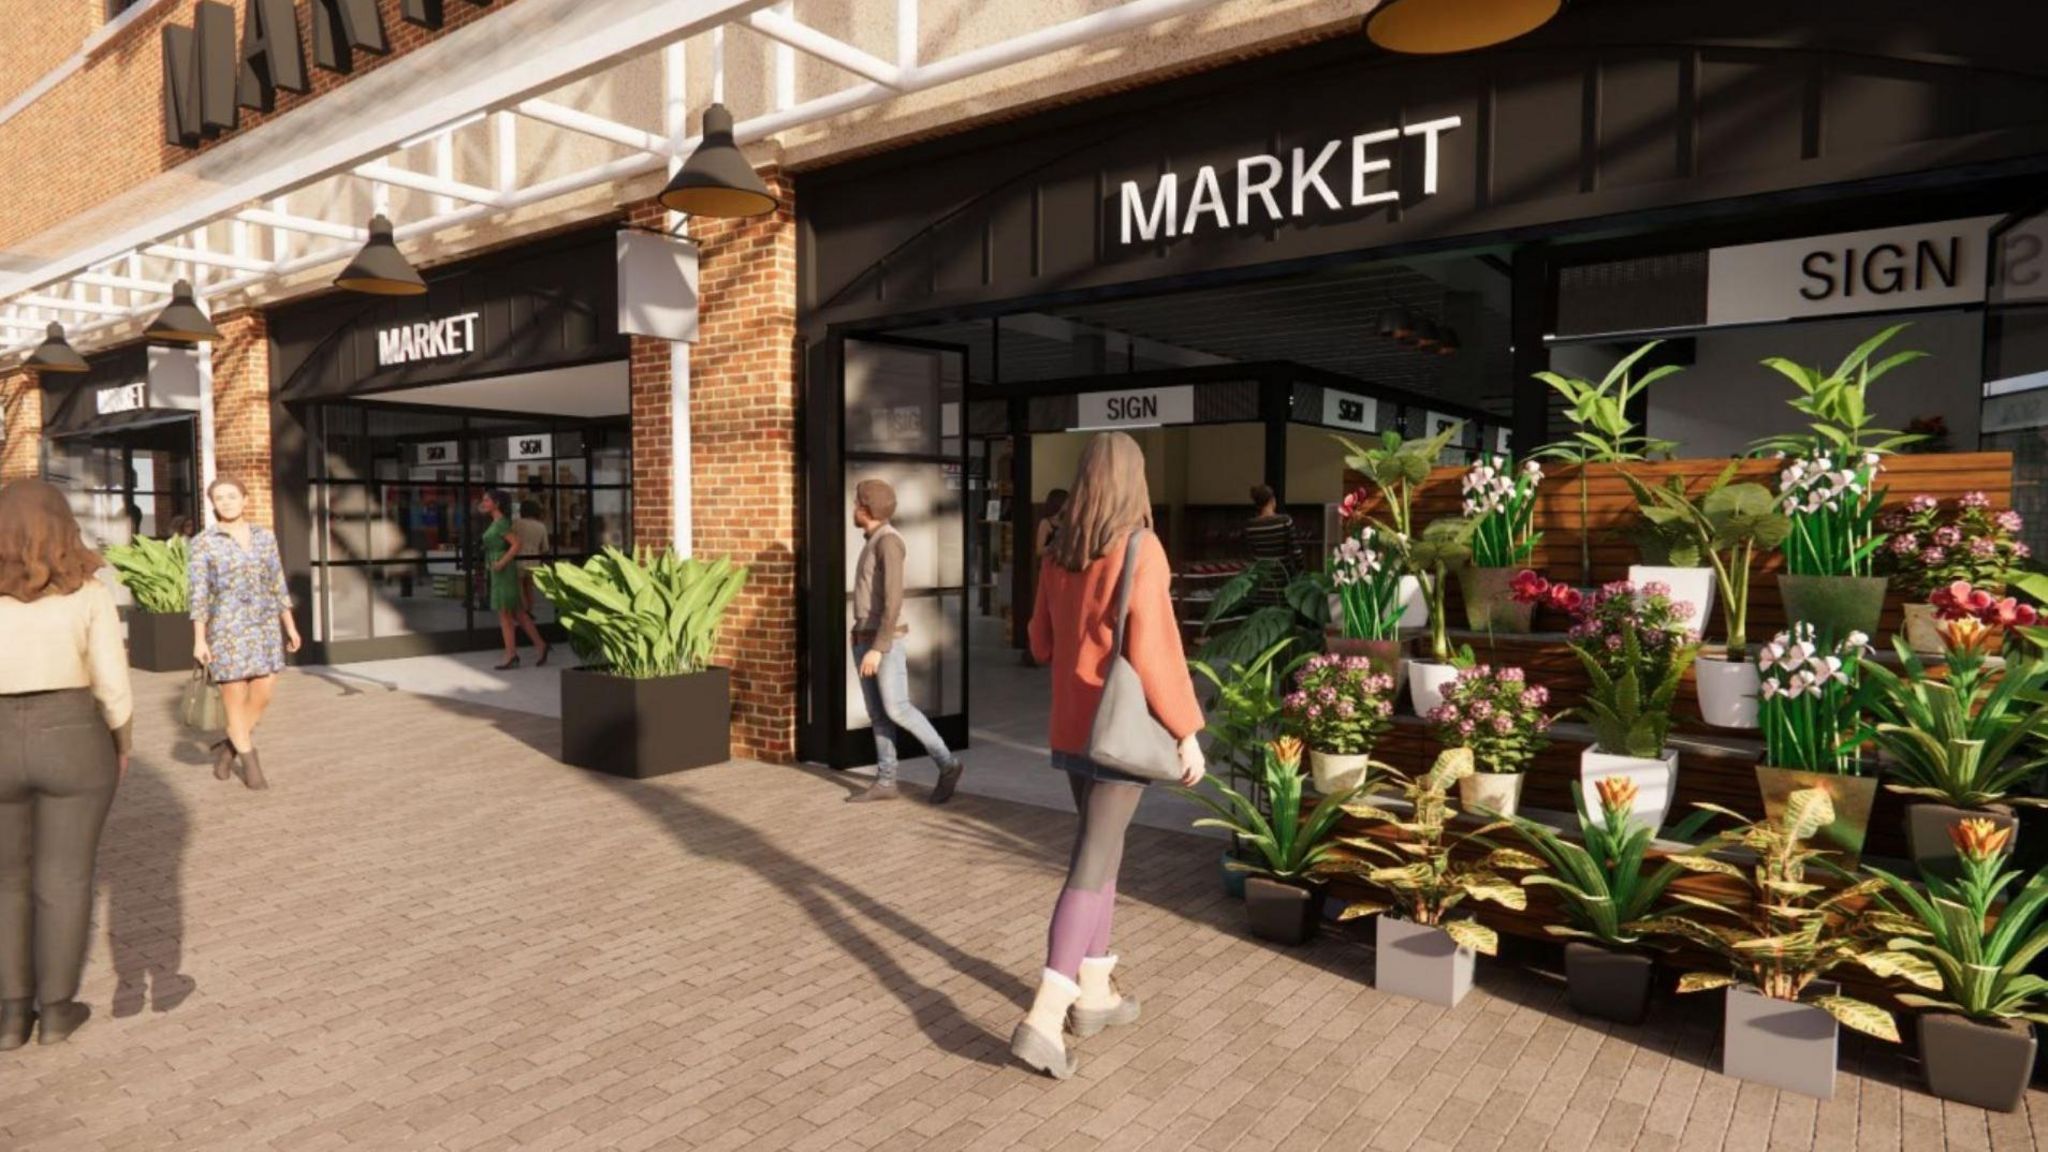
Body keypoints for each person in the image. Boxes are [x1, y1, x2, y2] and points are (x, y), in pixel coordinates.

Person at [1015, 432, 1204, 1080]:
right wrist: (1186, 729)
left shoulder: (1057, 549)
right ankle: (1045, 1015)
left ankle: (1093, 994)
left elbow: (1038, 641)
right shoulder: (1140, 547)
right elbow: (1155, 649)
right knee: (1091, 862)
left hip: (1073, 727)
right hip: (1120, 730)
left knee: (1105, 853)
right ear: (1134, 479)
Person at [0, 479, 133, 1047]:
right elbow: (113, 685)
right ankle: (56, 1011)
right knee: (67, 877)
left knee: (5, 881)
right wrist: (122, 744)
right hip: (74, 734)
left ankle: (10, 1017)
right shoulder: (89, 592)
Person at [849, 478, 965, 805]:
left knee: (897, 708)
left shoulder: (888, 542)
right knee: (880, 714)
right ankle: (886, 781)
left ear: (867, 508)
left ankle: (948, 764)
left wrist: (877, 647)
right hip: (864, 638)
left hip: (880, 641)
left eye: (857, 502)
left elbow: (893, 600)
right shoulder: (874, 540)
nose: (853, 507)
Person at [189, 477, 301, 791]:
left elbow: (277, 583)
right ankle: (250, 762)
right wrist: (199, 639)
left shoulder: (265, 537)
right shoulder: (203, 542)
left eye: (232, 496)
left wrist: (289, 626)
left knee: (264, 691)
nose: (225, 502)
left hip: (265, 625)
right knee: (234, 697)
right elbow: (198, 595)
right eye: (219, 498)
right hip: (227, 627)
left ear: (245, 499)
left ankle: (228, 747)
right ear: (213, 504)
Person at [480, 490, 548, 670]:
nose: (483, 503)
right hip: (500, 570)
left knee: (505, 615)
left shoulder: (501, 523)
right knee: (518, 612)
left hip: (503, 572)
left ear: (497, 503)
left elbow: (516, 544)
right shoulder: (498, 522)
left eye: (487, 500)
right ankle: (540, 645)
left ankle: (511, 655)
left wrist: (501, 562)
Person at [1243, 483, 1296, 606]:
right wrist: (1299, 575)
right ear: (1272, 500)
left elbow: (1251, 555)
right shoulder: (1284, 521)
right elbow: (1296, 552)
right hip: (1282, 584)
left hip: (1260, 584)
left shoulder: (1250, 526)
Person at [510, 500, 551, 615]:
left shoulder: (516, 524)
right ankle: (530, 610)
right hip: (534, 562)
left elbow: (509, 541)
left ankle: (523, 610)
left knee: (519, 587)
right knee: (529, 587)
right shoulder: (541, 526)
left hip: (518, 560)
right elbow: (545, 548)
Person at [1035, 488, 1069, 561]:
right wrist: (1054, 547)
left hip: (1064, 563)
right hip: (1050, 563)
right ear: (1060, 502)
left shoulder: (1066, 521)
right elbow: (1039, 550)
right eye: (1067, 502)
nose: (1069, 504)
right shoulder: (1045, 522)